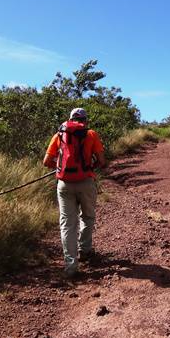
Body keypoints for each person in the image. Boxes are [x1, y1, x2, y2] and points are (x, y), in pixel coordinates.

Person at [43, 107, 106, 277]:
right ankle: (85, 250)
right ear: (85, 120)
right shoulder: (91, 134)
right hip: (86, 182)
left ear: (70, 119)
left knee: (67, 224)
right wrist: (89, 167)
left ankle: (71, 266)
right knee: (87, 216)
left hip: (64, 184)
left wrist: (60, 166)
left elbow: (46, 161)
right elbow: (101, 160)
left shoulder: (59, 135)